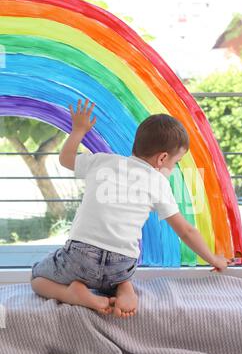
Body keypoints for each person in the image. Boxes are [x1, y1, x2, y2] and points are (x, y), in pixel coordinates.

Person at [31, 99, 231, 318]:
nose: (173, 167)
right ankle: (124, 286)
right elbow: (186, 231)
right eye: (176, 162)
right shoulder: (158, 183)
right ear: (162, 158)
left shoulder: (103, 161)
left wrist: (78, 130)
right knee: (117, 270)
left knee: (38, 278)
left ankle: (72, 294)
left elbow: (66, 159)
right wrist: (214, 259)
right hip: (121, 264)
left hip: (81, 257)